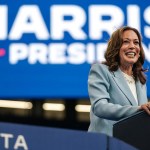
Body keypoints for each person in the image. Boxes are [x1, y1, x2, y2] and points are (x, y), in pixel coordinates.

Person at [88, 26, 150, 137]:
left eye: (136, 43)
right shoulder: (101, 70)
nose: (132, 46)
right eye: (126, 42)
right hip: (104, 143)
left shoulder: (140, 80)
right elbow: (99, 107)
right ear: (116, 48)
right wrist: (138, 109)